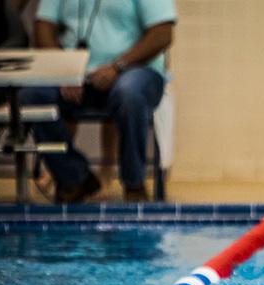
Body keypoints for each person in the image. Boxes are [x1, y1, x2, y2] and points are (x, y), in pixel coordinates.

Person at [19, 0, 176, 203]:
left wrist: (118, 67)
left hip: (133, 69)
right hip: (75, 75)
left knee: (129, 93)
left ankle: (134, 184)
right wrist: (64, 69)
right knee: (32, 95)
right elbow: (43, 25)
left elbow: (162, 33)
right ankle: (75, 178)